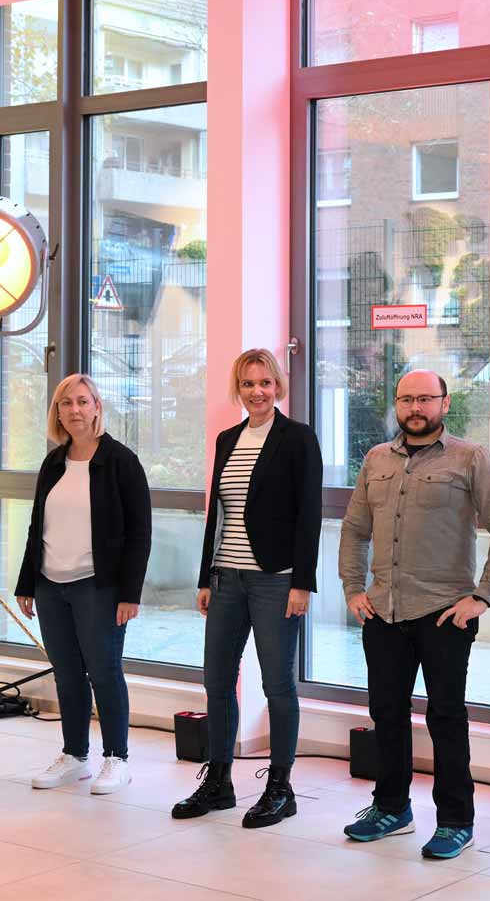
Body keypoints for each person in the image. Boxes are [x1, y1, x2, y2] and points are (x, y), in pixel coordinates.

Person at [338, 368, 490, 859]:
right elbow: (354, 529)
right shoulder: (376, 458)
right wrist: (353, 589)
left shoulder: (471, 458)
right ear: (396, 404)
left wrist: (483, 596)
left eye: (425, 399)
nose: (415, 408)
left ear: (445, 403)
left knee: (446, 718)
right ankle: (391, 808)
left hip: (444, 614)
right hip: (383, 611)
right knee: (386, 714)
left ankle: (456, 821)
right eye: (406, 399)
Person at [171, 348, 322, 828]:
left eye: (264, 383)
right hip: (226, 578)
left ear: (278, 386)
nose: (257, 392)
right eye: (248, 384)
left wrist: (302, 583)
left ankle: (280, 788)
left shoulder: (297, 439)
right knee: (216, 681)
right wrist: (205, 576)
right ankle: (219, 783)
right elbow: (216, 513)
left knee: (277, 684)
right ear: (237, 389)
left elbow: (309, 515)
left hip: (275, 580)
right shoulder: (228, 439)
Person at [15, 373, 151, 796]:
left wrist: (129, 593)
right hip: (51, 585)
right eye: (66, 403)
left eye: (82, 401)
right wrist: (26, 583)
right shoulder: (53, 463)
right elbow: (37, 526)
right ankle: (75, 756)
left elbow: (140, 533)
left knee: (104, 672)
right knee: (67, 674)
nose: (74, 410)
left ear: (97, 408)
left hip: (98, 586)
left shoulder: (121, 461)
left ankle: (117, 759)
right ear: (57, 412)